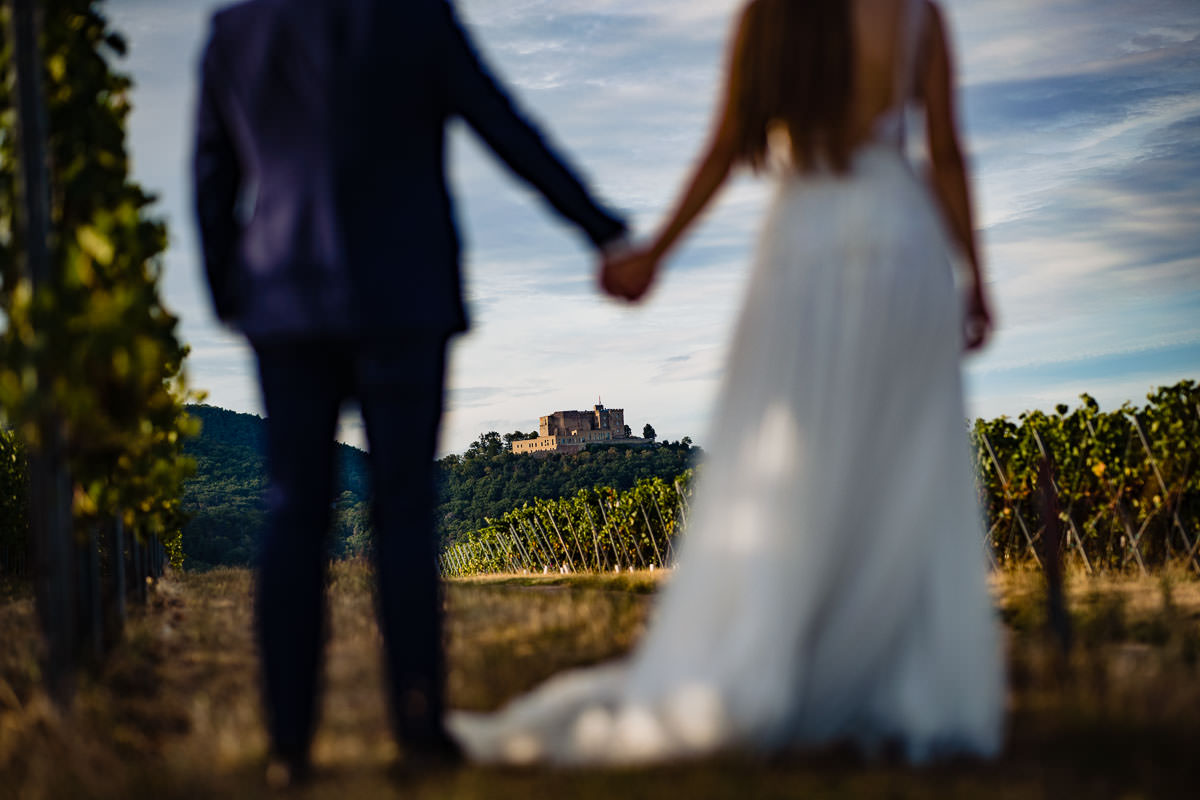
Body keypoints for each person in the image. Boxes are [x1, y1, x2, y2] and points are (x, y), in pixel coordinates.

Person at [450, 0, 1003, 764]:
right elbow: (946, 152)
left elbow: (721, 151)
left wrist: (652, 255)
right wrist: (976, 274)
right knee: (898, 459)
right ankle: (893, 684)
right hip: (902, 237)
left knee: (797, 459)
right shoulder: (915, 12)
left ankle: (796, 666)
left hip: (805, 241)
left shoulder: (770, 15)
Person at [192, 0, 627, 785]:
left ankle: (289, 745)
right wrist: (600, 229)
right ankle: (418, 728)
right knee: (404, 512)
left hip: (285, 300)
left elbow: (211, 177)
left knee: (293, 511)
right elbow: (506, 130)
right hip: (404, 292)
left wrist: (233, 293)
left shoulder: (237, 30)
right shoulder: (413, 17)